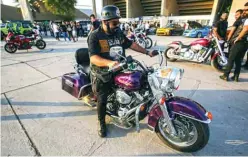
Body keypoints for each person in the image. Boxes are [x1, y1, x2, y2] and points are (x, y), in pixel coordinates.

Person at [88, 5, 158, 137]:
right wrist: (110, 63)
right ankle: (102, 122)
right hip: (102, 72)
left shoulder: (118, 33)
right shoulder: (95, 36)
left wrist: (147, 52)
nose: (117, 25)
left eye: (118, 22)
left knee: (139, 81)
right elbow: (93, 58)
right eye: (114, 22)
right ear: (105, 21)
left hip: (120, 68)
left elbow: (131, 44)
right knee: (102, 99)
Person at [220, 2, 248, 82]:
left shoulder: (245, 20)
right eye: (244, 10)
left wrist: (237, 38)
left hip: (239, 42)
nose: (244, 11)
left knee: (231, 59)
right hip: (245, 44)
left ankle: (225, 75)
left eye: (246, 10)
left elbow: (245, 29)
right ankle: (236, 76)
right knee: (238, 60)